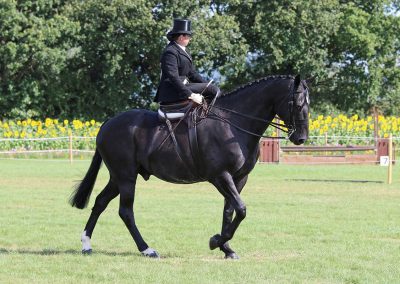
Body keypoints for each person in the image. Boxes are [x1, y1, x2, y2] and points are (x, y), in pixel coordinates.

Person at [154, 18, 220, 105]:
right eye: (188, 36)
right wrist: (190, 94)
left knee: (213, 88)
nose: (190, 39)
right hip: (173, 90)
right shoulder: (170, 52)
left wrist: (207, 84)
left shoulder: (185, 51)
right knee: (213, 90)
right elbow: (173, 77)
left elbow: (192, 74)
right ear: (181, 37)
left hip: (183, 86)